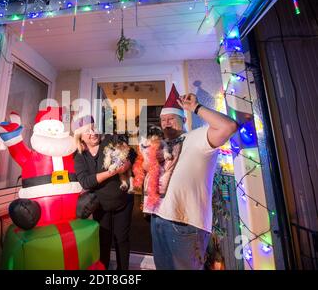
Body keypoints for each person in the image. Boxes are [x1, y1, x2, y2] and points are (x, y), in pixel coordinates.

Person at [147, 84, 238, 270]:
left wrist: (196, 108)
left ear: (182, 118)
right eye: (163, 120)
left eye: (171, 118)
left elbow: (228, 126)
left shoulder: (197, 138)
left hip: (185, 224)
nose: (166, 123)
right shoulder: (162, 147)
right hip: (158, 218)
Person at [72, 115, 134, 270]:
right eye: (88, 131)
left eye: (94, 128)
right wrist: (111, 173)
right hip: (100, 206)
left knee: (122, 239)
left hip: (122, 202)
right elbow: (85, 181)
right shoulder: (79, 156)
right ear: (80, 138)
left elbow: (131, 153)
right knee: (103, 241)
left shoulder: (109, 141)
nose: (93, 133)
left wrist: (126, 164)